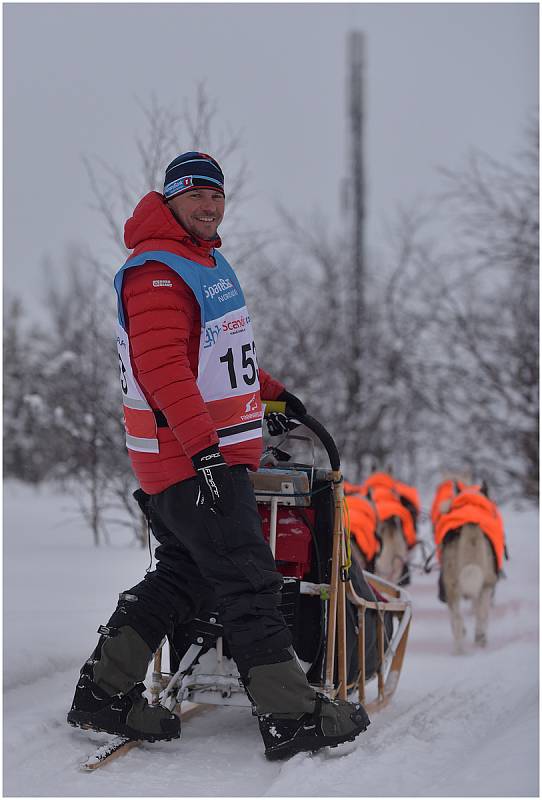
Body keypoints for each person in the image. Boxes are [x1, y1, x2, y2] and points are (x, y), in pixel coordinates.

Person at [67, 152, 369, 760]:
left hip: (196, 458)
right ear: (171, 200)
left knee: (189, 576)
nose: (208, 206)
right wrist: (206, 454)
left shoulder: (200, 262)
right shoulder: (157, 271)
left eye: (217, 196)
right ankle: (288, 714)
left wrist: (274, 394)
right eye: (195, 196)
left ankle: (103, 692)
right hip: (192, 460)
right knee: (251, 580)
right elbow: (163, 370)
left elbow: (219, 361)